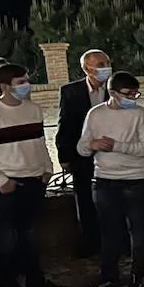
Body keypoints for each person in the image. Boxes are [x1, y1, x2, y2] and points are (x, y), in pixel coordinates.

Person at [0, 63, 63, 287]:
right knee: (6, 239)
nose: (26, 86)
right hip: (6, 185)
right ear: (4, 86)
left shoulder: (33, 109)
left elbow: (39, 142)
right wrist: (0, 180)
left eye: (26, 80)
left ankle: (35, 282)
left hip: (33, 181)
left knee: (29, 235)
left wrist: (47, 168)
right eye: (20, 82)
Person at [78, 72, 144, 287]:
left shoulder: (140, 114)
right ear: (112, 93)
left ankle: (137, 274)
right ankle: (109, 275)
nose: (133, 98)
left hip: (135, 178)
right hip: (105, 179)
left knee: (137, 228)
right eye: (128, 94)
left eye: (135, 94)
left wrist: (118, 146)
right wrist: (93, 144)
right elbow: (81, 147)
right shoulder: (95, 114)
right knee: (109, 230)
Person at [54, 48, 111, 258]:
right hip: (83, 156)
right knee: (86, 202)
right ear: (87, 68)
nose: (106, 68)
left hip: (112, 154)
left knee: (112, 202)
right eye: (100, 64)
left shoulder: (115, 88)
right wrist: (64, 156)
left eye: (107, 63)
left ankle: (116, 242)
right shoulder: (71, 91)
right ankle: (90, 243)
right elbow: (65, 125)